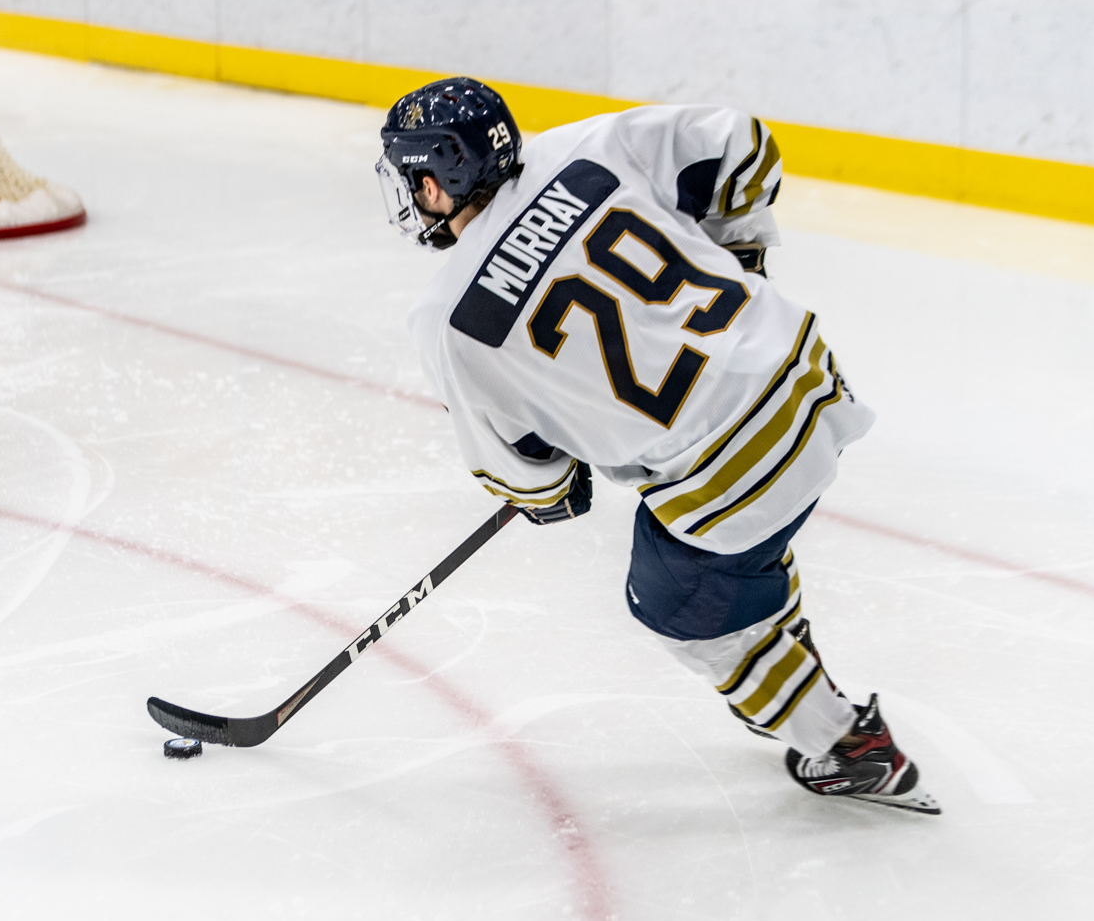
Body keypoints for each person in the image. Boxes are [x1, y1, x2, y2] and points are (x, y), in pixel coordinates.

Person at [379, 77, 937, 814]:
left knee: (677, 602)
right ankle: (777, 648)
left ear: (436, 181)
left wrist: (553, 486)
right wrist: (743, 264)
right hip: (803, 373)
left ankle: (849, 749)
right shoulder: (584, 149)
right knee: (735, 548)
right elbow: (742, 144)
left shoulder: (448, 321)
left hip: (728, 474)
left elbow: (525, 476)